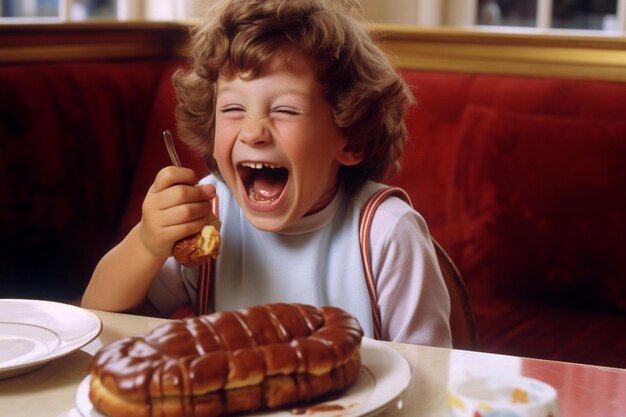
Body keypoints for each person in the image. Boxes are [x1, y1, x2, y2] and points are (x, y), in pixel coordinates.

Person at [82, 0, 451, 347]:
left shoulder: (386, 233)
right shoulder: (210, 214)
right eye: (233, 108)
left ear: (351, 138)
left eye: (287, 110)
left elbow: (431, 377)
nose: (253, 131)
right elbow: (99, 317)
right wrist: (147, 244)